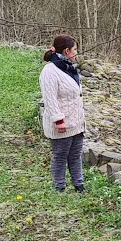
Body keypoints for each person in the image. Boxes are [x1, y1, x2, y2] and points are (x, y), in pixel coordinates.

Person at [40, 34, 87, 192]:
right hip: (62, 124)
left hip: (76, 122)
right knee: (60, 156)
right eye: (74, 50)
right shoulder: (50, 72)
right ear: (67, 51)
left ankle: (79, 185)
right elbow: (50, 99)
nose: (76, 53)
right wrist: (58, 120)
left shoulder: (69, 68)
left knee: (75, 155)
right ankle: (59, 186)